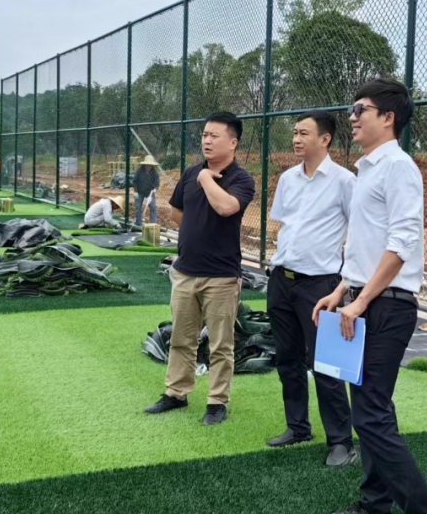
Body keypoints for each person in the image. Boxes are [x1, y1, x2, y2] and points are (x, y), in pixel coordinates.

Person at [313, 78, 427, 514]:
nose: (352, 117)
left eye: (361, 109)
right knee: (369, 410)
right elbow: (367, 245)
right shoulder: (369, 169)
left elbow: (401, 244)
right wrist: (342, 290)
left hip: (387, 308)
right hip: (364, 301)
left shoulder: (399, 167)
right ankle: (376, 511)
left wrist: (361, 301)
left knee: (372, 415)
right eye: (352, 109)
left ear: (388, 117)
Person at [144, 112, 255, 426]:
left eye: (214, 136)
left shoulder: (241, 179)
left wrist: (206, 178)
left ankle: (217, 402)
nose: (206, 140)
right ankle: (175, 394)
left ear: (232, 143)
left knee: (221, 345)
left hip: (221, 276)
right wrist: (197, 229)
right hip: (185, 272)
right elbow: (176, 212)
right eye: (205, 135)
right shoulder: (190, 172)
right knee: (181, 338)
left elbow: (226, 207)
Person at [265, 111, 357, 468]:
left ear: (325, 139)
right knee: (287, 358)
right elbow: (285, 226)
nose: (296, 139)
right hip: (282, 280)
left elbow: (360, 232)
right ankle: (298, 427)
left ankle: (341, 442)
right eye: (294, 133)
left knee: (327, 365)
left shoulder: (344, 182)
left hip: (320, 286)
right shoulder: (288, 179)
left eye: (303, 133)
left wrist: (345, 282)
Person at [133, 155, 161, 226]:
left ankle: (153, 224)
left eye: (150, 165)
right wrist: (135, 192)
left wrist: (153, 192)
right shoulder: (139, 171)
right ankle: (138, 223)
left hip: (150, 192)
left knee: (153, 207)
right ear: (145, 165)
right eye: (147, 165)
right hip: (139, 191)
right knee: (138, 207)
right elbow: (135, 182)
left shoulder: (155, 173)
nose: (148, 166)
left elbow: (157, 185)